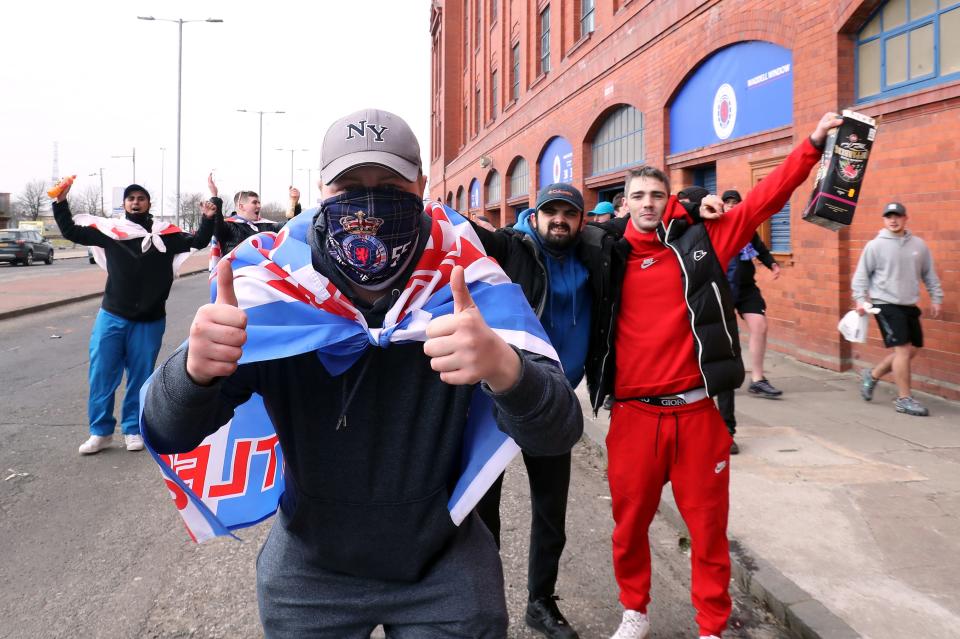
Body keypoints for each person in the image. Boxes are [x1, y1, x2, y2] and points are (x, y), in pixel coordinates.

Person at [142, 108, 582, 638]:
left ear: (421, 186)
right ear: (323, 190)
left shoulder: (469, 284)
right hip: (310, 571)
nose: (368, 201)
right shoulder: (273, 292)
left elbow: (557, 430)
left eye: (390, 183)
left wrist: (506, 369)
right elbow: (167, 429)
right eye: (350, 184)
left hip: (444, 566)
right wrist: (194, 370)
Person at [586, 113, 841, 639]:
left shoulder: (703, 245)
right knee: (629, 528)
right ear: (626, 202)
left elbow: (764, 199)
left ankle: (712, 625)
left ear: (668, 200)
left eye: (658, 194)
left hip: (698, 414)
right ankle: (634, 611)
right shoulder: (604, 254)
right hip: (634, 417)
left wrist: (813, 145)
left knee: (708, 532)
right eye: (639, 195)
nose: (649, 203)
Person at [472, 182, 612, 639]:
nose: (559, 220)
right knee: (483, 509)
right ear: (533, 216)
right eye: (550, 211)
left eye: (568, 213)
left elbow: (648, 230)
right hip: (502, 396)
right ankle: (483, 603)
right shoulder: (514, 249)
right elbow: (468, 233)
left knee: (551, 511)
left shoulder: (596, 254)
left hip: (554, 405)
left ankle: (540, 603)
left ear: (581, 219)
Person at [52, 183, 216, 455]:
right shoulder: (111, 233)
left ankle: (133, 429)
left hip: (150, 320)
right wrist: (60, 203)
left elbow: (198, 240)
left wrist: (209, 218)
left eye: (141, 198)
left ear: (149, 204)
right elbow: (71, 231)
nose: (136, 203)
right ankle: (100, 432)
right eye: (131, 199)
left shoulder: (166, 235)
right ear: (125, 204)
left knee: (140, 378)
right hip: (112, 315)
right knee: (102, 374)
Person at [853, 202, 943, 416]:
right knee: (902, 349)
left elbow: (929, 274)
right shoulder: (875, 245)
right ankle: (904, 399)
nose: (893, 220)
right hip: (884, 303)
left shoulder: (919, 245)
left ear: (905, 218)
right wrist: (859, 299)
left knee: (913, 349)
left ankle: (872, 375)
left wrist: (936, 298)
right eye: (889, 216)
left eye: (897, 216)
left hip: (909, 304)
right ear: (884, 220)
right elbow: (861, 275)